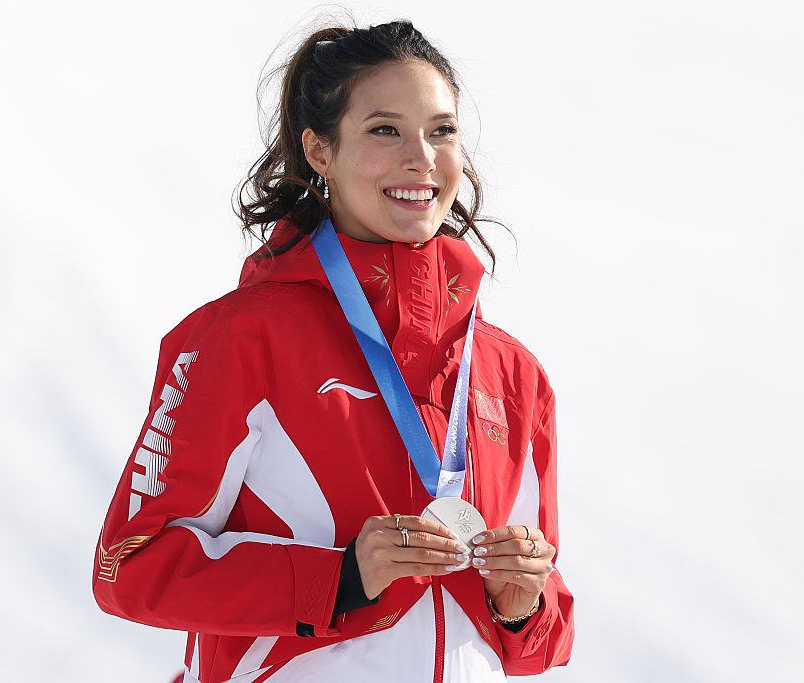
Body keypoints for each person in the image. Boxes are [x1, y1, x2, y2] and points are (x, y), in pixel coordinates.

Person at [92, 19, 575, 683]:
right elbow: (128, 566)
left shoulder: (513, 376)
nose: (420, 158)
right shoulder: (240, 340)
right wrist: (340, 577)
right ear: (320, 151)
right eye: (385, 130)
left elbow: (541, 640)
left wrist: (521, 607)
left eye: (441, 130)